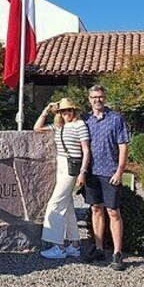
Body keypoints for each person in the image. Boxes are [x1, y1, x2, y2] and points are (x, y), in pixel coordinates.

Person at [33, 97, 91, 259]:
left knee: (55, 204)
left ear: (74, 111)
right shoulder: (59, 126)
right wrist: (46, 110)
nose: (67, 113)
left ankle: (58, 246)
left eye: (69, 110)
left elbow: (86, 150)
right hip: (61, 165)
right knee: (68, 206)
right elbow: (37, 128)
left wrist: (83, 171)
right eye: (63, 111)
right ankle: (74, 244)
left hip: (71, 167)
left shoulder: (80, 125)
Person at [83, 85, 131, 271]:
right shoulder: (85, 120)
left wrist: (120, 171)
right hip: (92, 173)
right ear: (89, 99)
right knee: (96, 209)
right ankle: (98, 248)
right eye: (94, 97)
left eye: (101, 96)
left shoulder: (116, 119)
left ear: (105, 97)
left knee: (113, 211)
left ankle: (117, 253)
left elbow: (123, 146)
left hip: (110, 173)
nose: (98, 100)